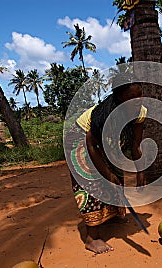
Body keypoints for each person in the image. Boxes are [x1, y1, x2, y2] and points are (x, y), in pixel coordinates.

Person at [64, 73, 147, 254]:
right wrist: (105, 173)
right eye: (132, 97)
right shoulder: (105, 113)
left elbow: (135, 144)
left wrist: (141, 171)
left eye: (140, 94)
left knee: (117, 174)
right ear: (119, 98)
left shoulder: (140, 112)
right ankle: (92, 237)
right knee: (92, 183)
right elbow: (91, 144)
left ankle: (113, 215)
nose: (138, 100)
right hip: (80, 140)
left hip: (106, 142)